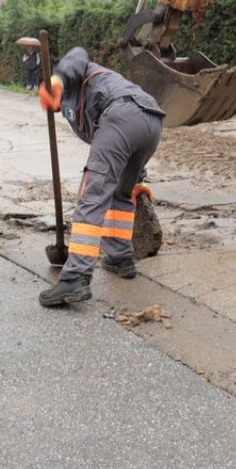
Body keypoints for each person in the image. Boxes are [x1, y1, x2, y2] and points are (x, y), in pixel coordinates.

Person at [36, 46, 166, 306]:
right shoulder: (74, 100)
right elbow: (125, 137)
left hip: (122, 114)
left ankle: (75, 278)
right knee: (121, 191)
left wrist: (56, 79)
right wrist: (138, 179)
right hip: (152, 122)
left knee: (92, 193)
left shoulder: (77, 70)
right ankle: (120, 256)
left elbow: (78, 54)